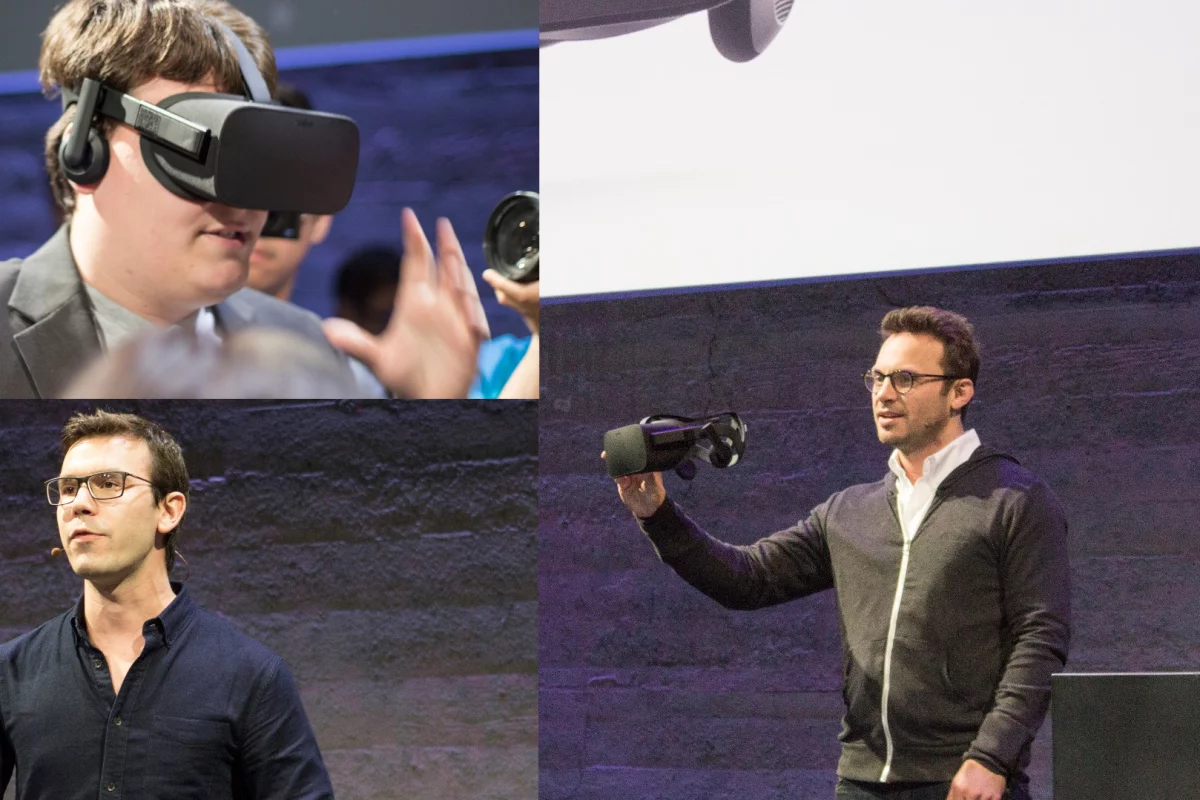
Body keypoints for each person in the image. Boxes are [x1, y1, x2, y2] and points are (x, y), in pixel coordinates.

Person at [607, 307, 1070, 800]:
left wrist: (992, 757)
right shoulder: (849, 512)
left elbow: (1039, 639)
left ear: (960, 392)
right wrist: (656, 513)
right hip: (861, 782)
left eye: (906, 378)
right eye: (878, 377)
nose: (885, 393)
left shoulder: (1013, 500)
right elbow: (746, 579)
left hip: (963, 781)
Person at [0, 0, 486, 399]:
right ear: (84, 150)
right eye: (200, 154)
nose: (244, 202)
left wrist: (427, 413)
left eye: (253, 156)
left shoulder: (302, 345)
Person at [0, 410, 334, 798]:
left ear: (169, 509)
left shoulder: (250, 676)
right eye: (69, 488)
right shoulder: (11, 673)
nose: (78, 504)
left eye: (108, 483)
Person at [246, 83, 333, 303]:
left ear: (321, 219)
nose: (252, 221)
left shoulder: (320, 337)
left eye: (278, 202)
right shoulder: (155, 337)